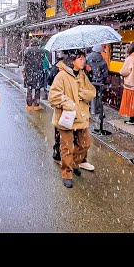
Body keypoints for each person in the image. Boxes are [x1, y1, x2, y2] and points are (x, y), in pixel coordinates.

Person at [48, 49, 96, 188]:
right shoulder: (62, 75)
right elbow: (54, 96)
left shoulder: (82, 75)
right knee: (67, 147)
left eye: (83, 58)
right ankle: (67, 173)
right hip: (66, 116)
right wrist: (69, 103)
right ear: (73, 60)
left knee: (85, 143)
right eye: (80, 58)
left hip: (80, 116)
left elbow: (92, 91)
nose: (83, 61)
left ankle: (74, 164)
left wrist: (80, 93)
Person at [22, 38, 47, 111]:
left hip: (29, 72)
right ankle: (36, 105)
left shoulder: (27, 51)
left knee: (29, 89)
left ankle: (29, 105)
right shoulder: (42, 51)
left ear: (31, 43)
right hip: (39, 71)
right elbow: (42, 59)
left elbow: (25, 61)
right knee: (37, 89)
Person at [86, 45, 108, 117]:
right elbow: (105, 72)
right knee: (98, 94)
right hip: (99, 81)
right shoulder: (101, 59)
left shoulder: (88, 57)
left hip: (90, 79)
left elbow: (84, 67)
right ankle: (97, 109)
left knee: (90, 94)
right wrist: (103, 78)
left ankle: (90, 108)